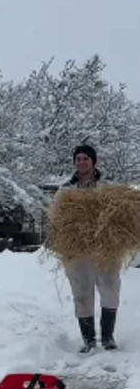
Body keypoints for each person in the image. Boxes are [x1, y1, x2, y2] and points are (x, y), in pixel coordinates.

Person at [63, 143, 119, 352]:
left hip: (107, 246)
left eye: (86, 158)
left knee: (110, 288)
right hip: (79, 249)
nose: (81, 162)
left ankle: (107, 337)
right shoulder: (66, 190)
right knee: (81, 291)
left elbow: (119, 215)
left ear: (93, 161)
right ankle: (88, 340)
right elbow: (58, 219)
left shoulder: (108, 187)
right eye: (78, 159)